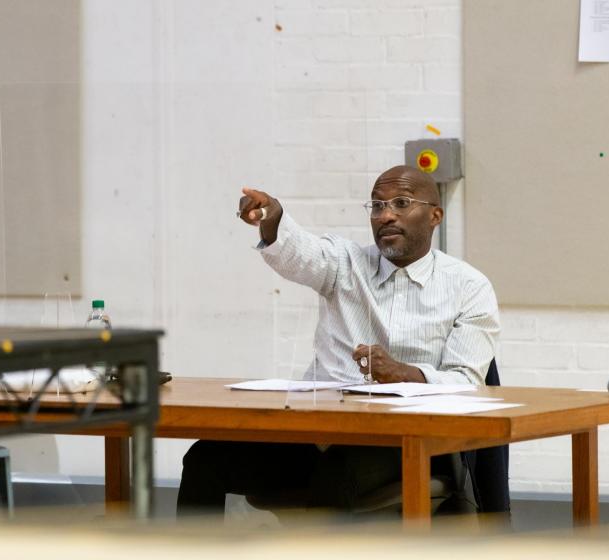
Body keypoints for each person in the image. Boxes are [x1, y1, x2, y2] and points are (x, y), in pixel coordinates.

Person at [176, 165, 500, 516]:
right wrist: (273, 217)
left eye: (401, 203)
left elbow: (468, 383)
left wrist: (403, 373)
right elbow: (299, 251)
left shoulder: (469, 286)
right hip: (316, 434)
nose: (386, 215)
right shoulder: (346, 263)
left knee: (338, 472)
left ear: (435, 215)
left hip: (403, 442)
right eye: (377, 206)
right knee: (205, 457)